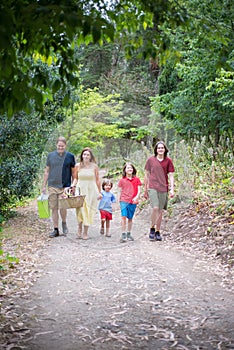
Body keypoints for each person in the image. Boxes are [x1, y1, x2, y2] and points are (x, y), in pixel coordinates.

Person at [42, 136, 76, 238]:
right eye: (59, 145)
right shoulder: (50, 156)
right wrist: (44, 186)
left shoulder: (70, 156)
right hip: (52, 185)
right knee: (54, 208)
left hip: (65, 186)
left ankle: (64, 223)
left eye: (62, 146)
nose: (60, 147)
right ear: (56, 145)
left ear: (65, 146)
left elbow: (74, 173)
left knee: (63, 207)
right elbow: (47, 171)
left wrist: (73, 186)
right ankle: (55, 229)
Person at [144, 141, 175, 241]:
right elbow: (146, 175)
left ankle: (157, 231)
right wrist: (145, 189)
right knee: (155, 208)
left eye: (162, 148)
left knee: (160, 211)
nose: (160, 150)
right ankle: (152, 228)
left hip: (163, 188)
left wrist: (172, 189)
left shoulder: (168, 161)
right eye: (158, 148)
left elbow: (171, 175)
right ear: (156, 150)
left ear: (165, 149)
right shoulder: (151, 160)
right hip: (153, 186)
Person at [71, 148, 102, 240]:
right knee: (80, 209)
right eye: (84, 154)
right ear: (82, 156)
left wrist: (99, 192)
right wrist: (72, 187)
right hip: (80, 189)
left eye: (88, 155)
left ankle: (85, 232)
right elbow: (76, 178)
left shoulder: (94, 167)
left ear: (90, 156)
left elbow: (97, 180)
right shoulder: (78, 166)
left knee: (89, 210)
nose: (86, 156)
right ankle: (79, 228)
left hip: (91, 190)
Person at [118, 163, 142, 243]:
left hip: (133, 201)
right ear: (125, 170)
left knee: (130, 218)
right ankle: (123, 233)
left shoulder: (137, 179)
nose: (129, 169)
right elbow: (120, 190)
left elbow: (139, 190)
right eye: (128, 168)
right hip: (124, 200)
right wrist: (119, 200)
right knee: (123, 216)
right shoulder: (122, 180)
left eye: (131, 168)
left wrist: (137, 197)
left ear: (133, 169)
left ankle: (128, 233)